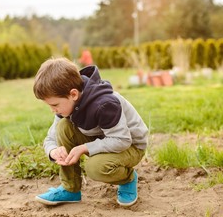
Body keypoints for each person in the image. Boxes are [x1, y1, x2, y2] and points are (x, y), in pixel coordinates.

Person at [33, 57, 148, 207]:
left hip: (131, 146)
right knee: (63, 127)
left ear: (73, 94)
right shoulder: (67, 105)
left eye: (55, 105)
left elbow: (122, 140)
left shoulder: (105, 105)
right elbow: (51, 137)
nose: (52, 110)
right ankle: (71, 189)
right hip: (104, 139)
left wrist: (85, 148)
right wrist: (53, 151)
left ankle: (128, 179)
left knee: (95, 168)